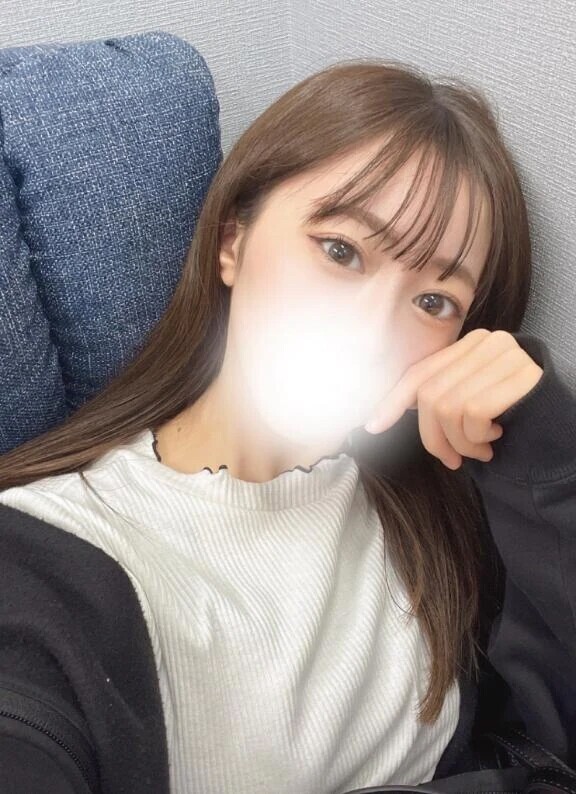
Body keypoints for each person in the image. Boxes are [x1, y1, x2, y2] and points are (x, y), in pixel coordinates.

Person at [0, 58, 574, 794]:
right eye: (341, 251)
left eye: (434, 302)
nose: (371, 332)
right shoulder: (45, 554)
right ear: (231, 243)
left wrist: (546, 450)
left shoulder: (448, 512)